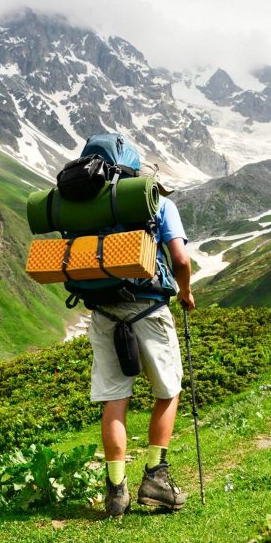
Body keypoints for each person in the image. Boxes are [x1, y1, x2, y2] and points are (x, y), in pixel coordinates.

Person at [87, 160, 196, 518]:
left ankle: (116, 491)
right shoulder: (155, 202)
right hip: (148, 307)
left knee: (115, 397)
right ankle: (155, 479)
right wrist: (185, 292)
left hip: (102, 310)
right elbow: (180, 258)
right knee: (168, 389)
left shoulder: (88, 205)